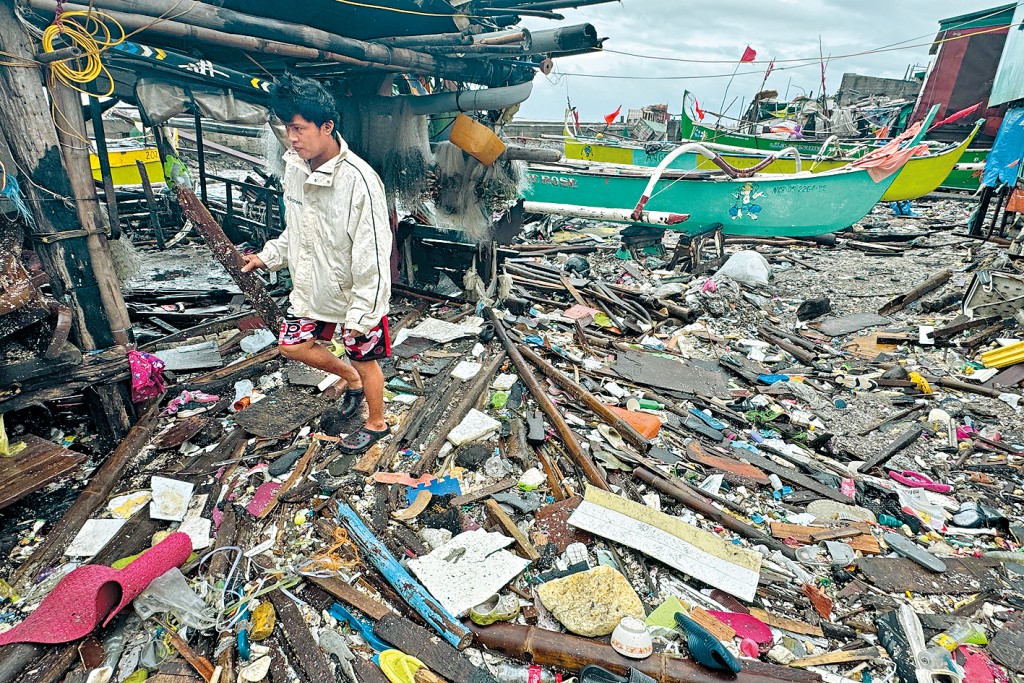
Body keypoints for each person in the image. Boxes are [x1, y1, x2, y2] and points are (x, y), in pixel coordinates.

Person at [241, 76, 393, 455]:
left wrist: (365, 311)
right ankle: (349, 378)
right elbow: (297, 229)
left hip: (353, 289)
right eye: (287, 128)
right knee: (292, 347)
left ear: (327, 127)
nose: (291, 138)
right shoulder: (295, 168)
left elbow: (373, 251)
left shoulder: (359, 180)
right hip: (312, 285)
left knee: (367, 357)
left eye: (299, 128)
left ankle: (377, 423)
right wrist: (268, 256)